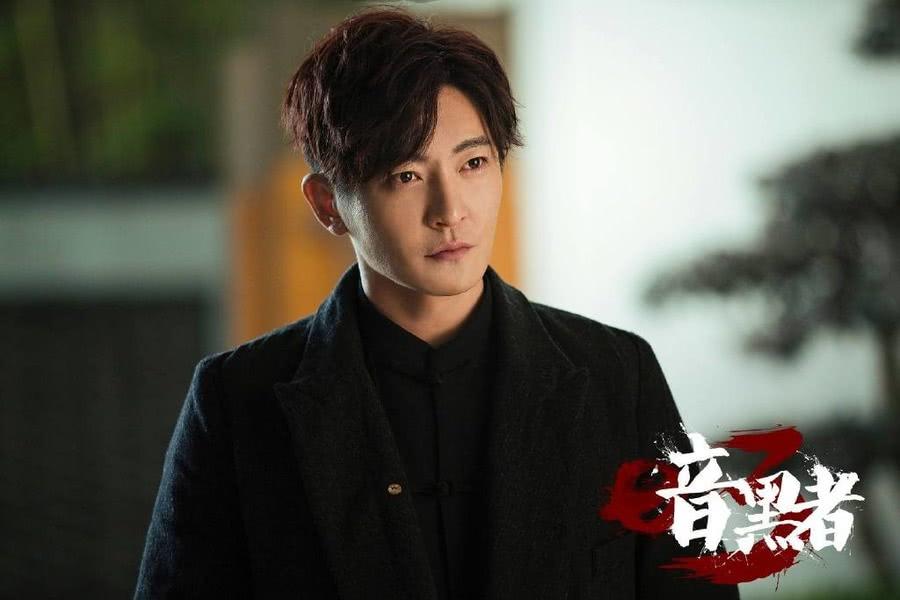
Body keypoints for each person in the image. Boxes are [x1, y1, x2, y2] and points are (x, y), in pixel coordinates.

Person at [134, 5, 740, 599]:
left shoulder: (619, 377)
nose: (451, 211)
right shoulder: (238, 401)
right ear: (327, 204)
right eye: (406, 175)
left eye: (473, 163)